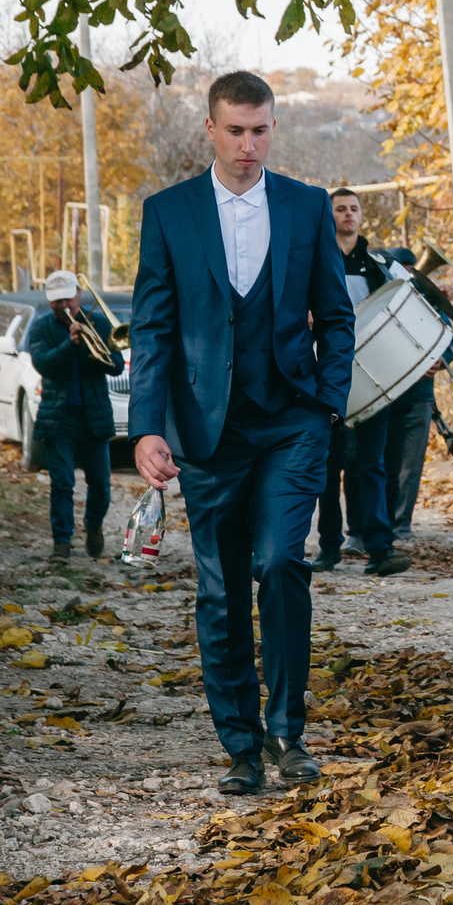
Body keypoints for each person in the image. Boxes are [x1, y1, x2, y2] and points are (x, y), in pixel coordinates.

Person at [131, 70, 356, 795]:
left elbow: (337, 314)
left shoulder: (306, 206)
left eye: (260, 129)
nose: (249, 144)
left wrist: (328, 398)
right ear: (210, 129)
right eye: (235, 130)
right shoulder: (168, 213)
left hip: (293, 419)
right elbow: (153, 327)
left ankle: (288, 728)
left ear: (272, 128)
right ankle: (240, 745)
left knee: (281, 564)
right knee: (222, 588)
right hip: (207, 431)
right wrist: (146, 428)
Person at [314, 189, 411, 576]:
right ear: (330, 215)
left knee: (373, 466)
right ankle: (328, 548)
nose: (348, 215)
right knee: (327, 470)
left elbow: (401, 304)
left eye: (354, 209)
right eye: (341, 209)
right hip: (326, 380)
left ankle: (379, 548)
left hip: (373, 378)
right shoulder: (315, 260)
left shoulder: (378, 264)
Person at [25, 269, 125, 558]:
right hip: (58, 418)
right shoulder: (41, 327)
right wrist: (70, 345)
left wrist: (92, 349)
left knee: (101, 485)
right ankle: (62, 542)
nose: (63, 306)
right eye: (56, 301)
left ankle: (93, 526)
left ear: (78, 295)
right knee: (62, 484)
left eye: (67, 299)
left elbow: (116, 366)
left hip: (94, 417)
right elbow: (42, 364)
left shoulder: (99, 323)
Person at [380, 243, 453, 540]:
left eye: (413, 269)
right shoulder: (381, 296)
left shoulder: (430, 299)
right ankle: (377, 525)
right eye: (404, 269)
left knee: (410, 466)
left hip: (420, 394)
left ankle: (401, 524)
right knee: (381, 463)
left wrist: (440, 361)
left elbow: (450, 341)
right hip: (387, 393)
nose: (411, 274)